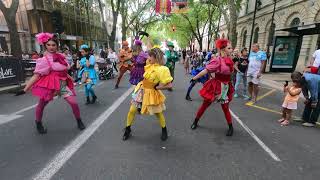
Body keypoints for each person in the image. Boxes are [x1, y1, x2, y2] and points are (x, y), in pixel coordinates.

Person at [16, 32, 85, 134]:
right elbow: (36, 75)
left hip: (61, 84)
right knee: (42, 104)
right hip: (50, 85)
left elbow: (64, 72)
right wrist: (25, 89)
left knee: (73, 102)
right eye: (48, 45)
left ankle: (79, 121)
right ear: (45, 46)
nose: (51, 47)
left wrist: (72, 79)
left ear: (57, 46)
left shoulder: (61, 56)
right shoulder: (43, 60)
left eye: (53, 45)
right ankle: (38, 123)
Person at [122, 47, 173, 141]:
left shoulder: (162, 69)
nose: (148, 57)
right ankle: (127, 129)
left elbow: (170, 85)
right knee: (132, 110)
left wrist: (157, 87)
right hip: (141, 89)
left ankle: (164, 130)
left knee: (158, 113)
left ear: (155, 57)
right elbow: (145, 51)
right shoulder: (149, 64)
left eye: (150, 56)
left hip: (151, 93)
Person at [190, 39, 235, 136]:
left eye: (231, 48)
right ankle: (195, 121)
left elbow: (230, 73)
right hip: (216, 86)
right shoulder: (217, 60)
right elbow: (206, 70)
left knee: (225, 108)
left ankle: (231, 127)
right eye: (229, 48)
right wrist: (194, 78)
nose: (232, 49)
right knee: (205, 105)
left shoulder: (229, 59)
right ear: (223, 49)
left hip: (226, 86)